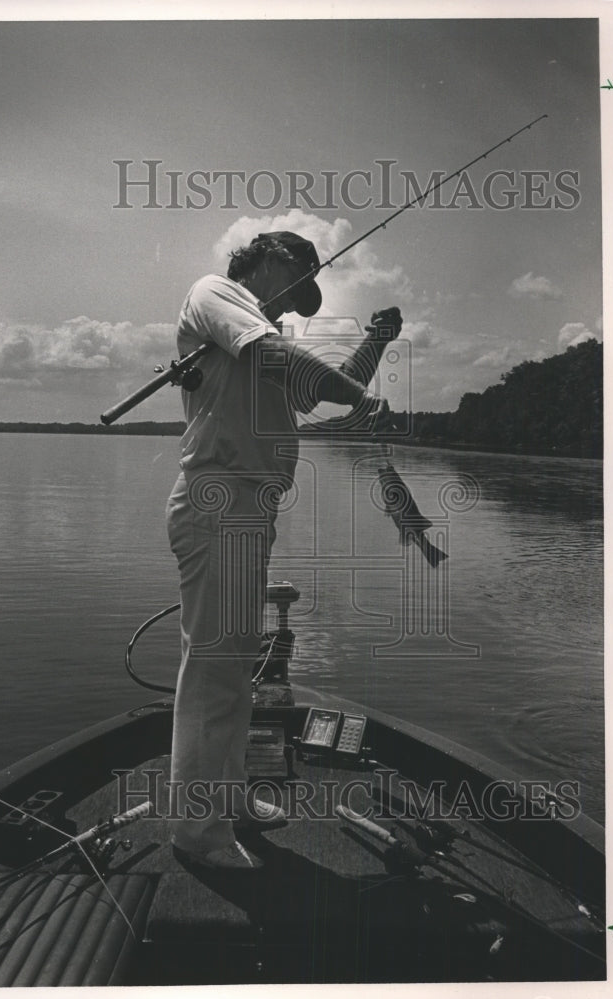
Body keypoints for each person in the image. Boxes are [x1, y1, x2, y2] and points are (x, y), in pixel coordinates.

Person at [166, 231, 402, 870]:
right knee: (214, 669)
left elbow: (318, 384)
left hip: (250, 509)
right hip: (218, 500)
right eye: (299, 287)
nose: (296, 308)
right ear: (272, 261)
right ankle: (197, 828)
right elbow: (285, 361)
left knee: (235, 667)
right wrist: (365, 399)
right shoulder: (216, 294)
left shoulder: (267, 343)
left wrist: (375, 344)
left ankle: (231, 798)